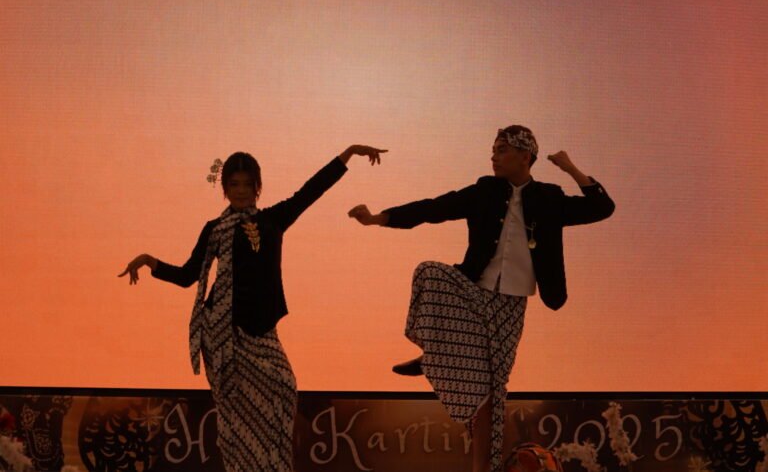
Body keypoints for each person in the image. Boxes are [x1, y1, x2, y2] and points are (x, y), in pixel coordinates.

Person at [348, 125, 614, 472]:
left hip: (511, 304)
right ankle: (435, 350)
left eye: (502, 150)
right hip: (473, 289)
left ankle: (481, 468)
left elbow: (601, 207)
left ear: (525, 156)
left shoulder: (549, 198)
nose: (493, 156)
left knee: (491, 392)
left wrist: (570, 167)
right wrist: (378, 219)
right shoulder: (485, 190)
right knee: (429, 272)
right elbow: (435, 208)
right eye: (493, 150)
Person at [119, 145, 386, 472]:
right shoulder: (214, 229)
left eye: (248, 184)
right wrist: (151, 261)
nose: (241, 191)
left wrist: (349, 153)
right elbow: (189, 275)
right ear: (225, 188)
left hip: (263, 330)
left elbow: (311, 191)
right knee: (237, 414)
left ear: (257, 187)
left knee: (284, 386)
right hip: (224, 334)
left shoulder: (274, 219)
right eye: (234, 184)